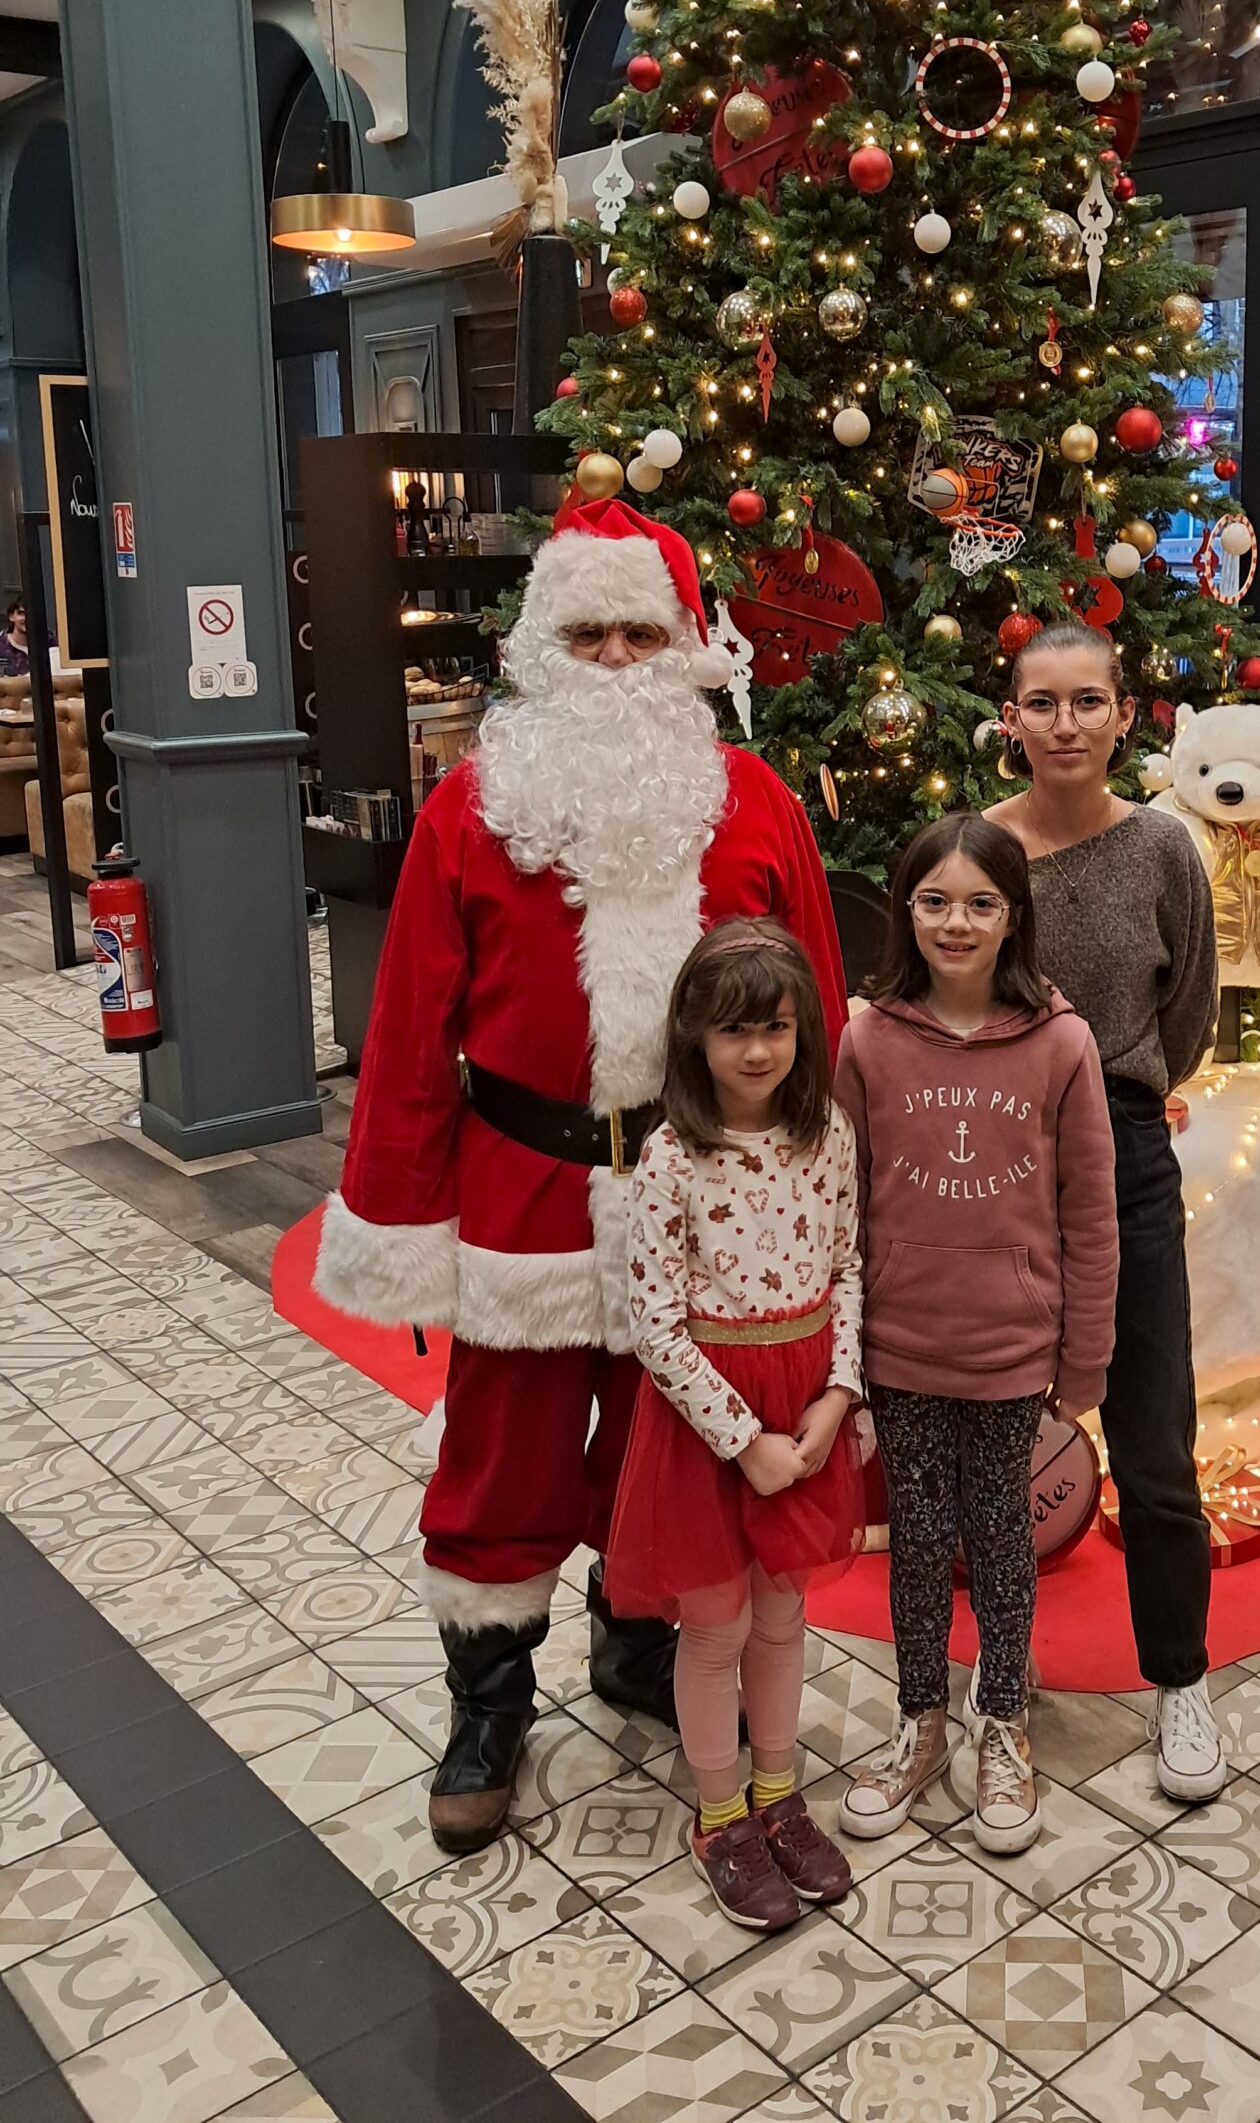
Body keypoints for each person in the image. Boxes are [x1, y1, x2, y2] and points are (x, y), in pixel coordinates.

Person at [314, 499, 848, 1854]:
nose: (615, 659)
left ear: (683, 647)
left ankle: (637, 1642)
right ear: (542, 647)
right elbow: (411, 1034)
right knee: (502, 1466)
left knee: (674, 1452)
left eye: (638, 632)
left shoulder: (759, 807)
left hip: (712, 1207)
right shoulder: (466, 812)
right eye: (587, 632)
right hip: (525, 1202)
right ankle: (486, 1705)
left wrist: (825, 1203)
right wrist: (400, 1214)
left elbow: (820, 1020)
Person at [834, 813, 1118, 1853]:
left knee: (999, 1530)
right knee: (915, 1536)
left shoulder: (1063, 1042)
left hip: (1012, 1352)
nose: (957, 922)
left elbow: (1088, 1212)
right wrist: (843, 1356)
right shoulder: (867, 1039)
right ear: (906, 911)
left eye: (982, 903)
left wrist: (1083, 1354)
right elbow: (841, 1201)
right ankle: (919, 1719)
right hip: (900, 1345)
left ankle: (1002, 1717)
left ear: (1014, 918)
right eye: (936, 900)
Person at [985, 622, 1227, 1801]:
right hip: (995, 1156)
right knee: (992, 1426)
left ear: (1125, 715)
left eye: (1090, 701)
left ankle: (1179, 1676)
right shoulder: (985, 850)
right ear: (1012, 715)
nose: (1067, 723)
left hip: (1125, 1152)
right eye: (1045, 702)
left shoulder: (1164, 849)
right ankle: (1000, 1681)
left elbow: (1192, 1010)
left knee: (1153, 1429)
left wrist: (1120, 1087)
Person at [608, 920, 863, 1931]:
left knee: (781, 1611)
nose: (758, 1050)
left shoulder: (827, 1135)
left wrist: (837, 1398)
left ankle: (775, 1789)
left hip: (804, 1409)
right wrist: (740, 1438)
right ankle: (718, 1814)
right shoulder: (671, 1158)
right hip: (712, 1422)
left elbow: (850, 1268)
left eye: (778, 1028)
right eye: (733, 1031)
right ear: (694, 1038)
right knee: (713, 1623)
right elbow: (654, 1324)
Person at [0, 597, 29, 676]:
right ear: (11, 617)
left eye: (31, 613)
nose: (26, 618)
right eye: (21, 613)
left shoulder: (51, 643)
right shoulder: (2, 646)